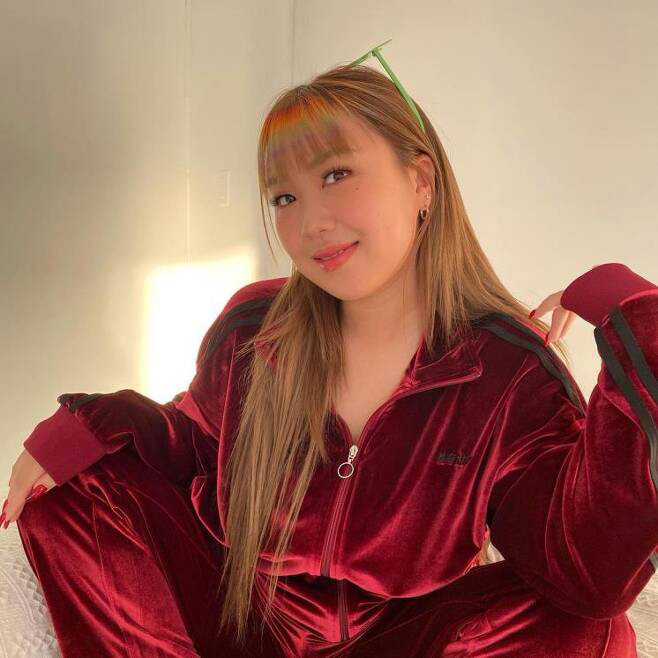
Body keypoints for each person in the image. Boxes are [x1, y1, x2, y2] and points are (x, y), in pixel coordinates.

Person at [3, 44, 658, 658]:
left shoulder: (509, 370)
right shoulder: (253, 330)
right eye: (285, 196)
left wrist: (636, 319)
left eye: (337, 174)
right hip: (238, 620)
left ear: (421, 182)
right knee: (69, 491)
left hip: (398, 640)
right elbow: (191, 441)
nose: (310, 222)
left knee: (588, 630)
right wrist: (96, 419)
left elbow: (585, 571)